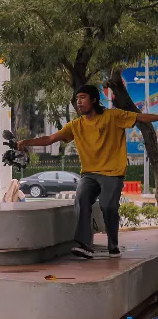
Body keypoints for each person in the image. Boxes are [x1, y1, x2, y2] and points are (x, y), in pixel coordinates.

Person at [18, 84, 158, 259]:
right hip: (90, 174)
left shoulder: (113, 116)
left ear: (94, 99)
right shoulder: (75, 125)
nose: (79, 102)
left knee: (108, 206)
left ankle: (113, 245)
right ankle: (85, 245)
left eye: (82, 97)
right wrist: (27, 142)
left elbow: (140, 117)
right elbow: (50, 139)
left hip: (112, 172)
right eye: (77, 99)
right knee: (81, 198)